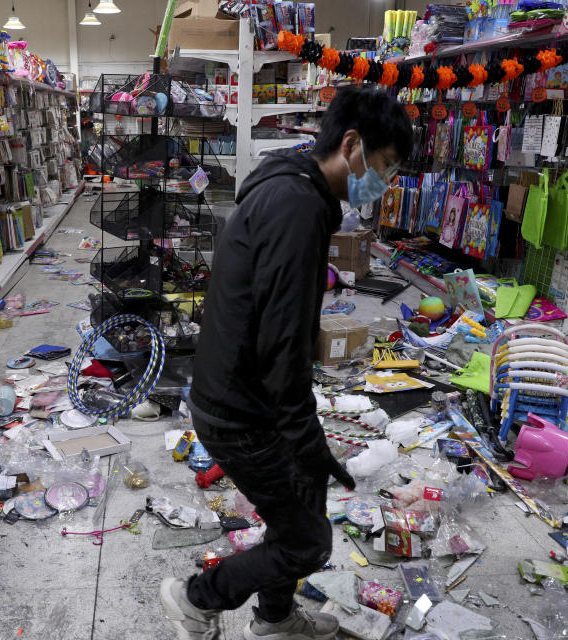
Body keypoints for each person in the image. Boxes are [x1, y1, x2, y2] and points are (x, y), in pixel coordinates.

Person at [160, 86, 413, 640]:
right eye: (386, 165)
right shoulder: (298, 207)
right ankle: (196, 597)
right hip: (241, 409)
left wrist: (307, 444)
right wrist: (308, 439)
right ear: (352, 145)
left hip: (238, 389)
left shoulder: (291, 183)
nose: (386, 182)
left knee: (304, 499)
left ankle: (275, 620)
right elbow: (284, 343)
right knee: (307, 540)